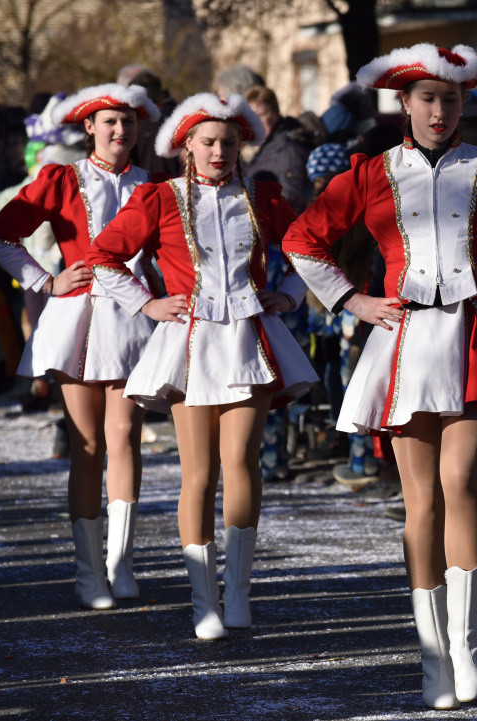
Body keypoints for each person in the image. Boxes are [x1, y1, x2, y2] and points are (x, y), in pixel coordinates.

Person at [282, 43, 477, 709]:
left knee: (462, 480)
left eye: (452, 98)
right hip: (403, 343)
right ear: (404, 104)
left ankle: (470, 647)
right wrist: (351, 300)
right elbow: (302, 238)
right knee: (421, 502)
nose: (440, 109)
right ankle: (434, 655)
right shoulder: (371, 171)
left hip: (474, 337)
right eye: (427, 98)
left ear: (467, 102)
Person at [87, 93, 318, 640]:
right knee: (200, 472)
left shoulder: (263, 195)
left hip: (249, 337)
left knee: (242, 462)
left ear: (242, 146)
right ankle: (203, 601)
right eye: (209, 142)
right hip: (189, 341)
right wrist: (147, 302)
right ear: (187, 145)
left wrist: (288, 294)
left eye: (229, 142)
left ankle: (238, 593)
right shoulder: (161, 197)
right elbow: (103, 256)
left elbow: (310, 246)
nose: (220, 151)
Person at [0, 84, 161, 610]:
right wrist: (44, 282)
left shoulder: (156, 185)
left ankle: (120, 562)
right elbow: (1, 235)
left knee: (125, 435)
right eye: (108, 122)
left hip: (136, 318)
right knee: (86, 448)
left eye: (127, 122)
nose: (119, 131)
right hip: (80, 318)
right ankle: (88, 573)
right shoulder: (61, 179)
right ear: (88, 127)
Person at [244, 85, 312, 214]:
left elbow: (292, 201)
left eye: (262, 114)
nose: (257, 122)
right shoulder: (264, 145)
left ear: (276, 112)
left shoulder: (289, 147)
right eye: (252, 118)